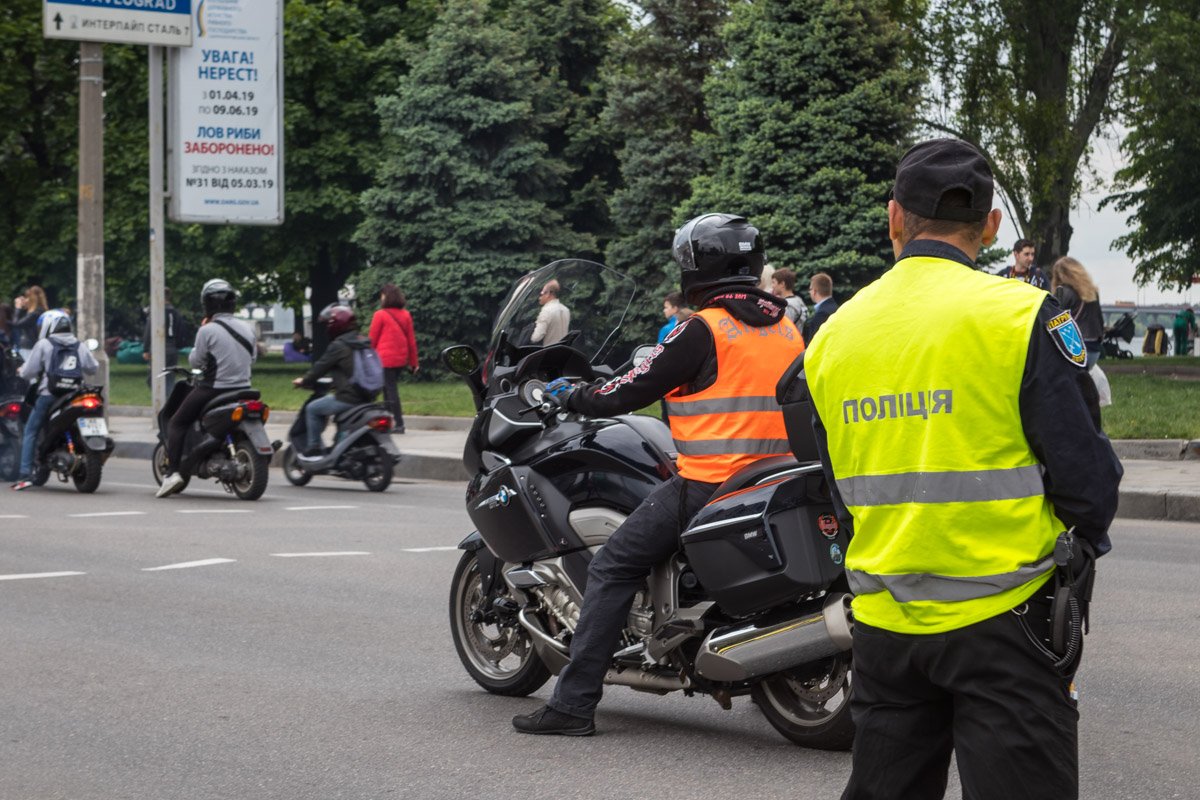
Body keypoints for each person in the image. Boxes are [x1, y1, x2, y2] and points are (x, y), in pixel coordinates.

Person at [803, 138, 1122, 800]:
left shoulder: (833, 335)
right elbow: (1089, 482)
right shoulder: (1022, 317)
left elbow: (833, 477)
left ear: (895, 219)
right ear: (990, 227)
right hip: (1008, 621)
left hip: (886, 624)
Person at [511, 213, 804, 737]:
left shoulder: (703, 328)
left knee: (614, 565)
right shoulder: (787, 327)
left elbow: (627, 388)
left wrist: (570, 394)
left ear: (696, 267)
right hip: (777, 478)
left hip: (711, 483)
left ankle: (573, 705)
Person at [156, 279, 257, 498]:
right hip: (246, 389)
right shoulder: (247, 328)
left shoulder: (207, 330)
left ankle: (173, 472)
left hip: (215, 389)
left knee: (177, 422)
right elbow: (253, 358)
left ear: (207, 304)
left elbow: (195, 361)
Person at [11, 310, 98, 491]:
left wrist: (21, 371)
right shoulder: (79, 345)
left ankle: (24, 474)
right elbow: (92, 368)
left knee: (31, 431)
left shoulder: (44, 344)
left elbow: (29, 371)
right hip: (75, 395)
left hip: (49, 395)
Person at [293, 304, 377, 455]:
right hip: (368, 397)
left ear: (335, 326)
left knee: (312, 408)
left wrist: (304, 380)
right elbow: (351, 369)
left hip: (348, 398)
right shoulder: (362, 341)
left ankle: (313, 447)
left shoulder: (339, 346)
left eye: (328, 324)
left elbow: (320, 367)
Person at [369, 284, 419, 433]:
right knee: (387, 389)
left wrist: (368, 358)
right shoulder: (406, 315)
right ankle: (386, 422)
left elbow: (372, 339)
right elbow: (411, 341)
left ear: (387, 296)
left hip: (384, 359)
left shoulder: (380, 315)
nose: (381, 298)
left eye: (382, 295)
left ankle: (399, 423)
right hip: (400, 360)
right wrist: (414, 363)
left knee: (390, 390)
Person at [1050, 256, 1104, 368]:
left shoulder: (1063, 292)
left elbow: (1054, 322)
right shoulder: (1093, 292)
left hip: (1075, 349)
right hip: (1094, 349)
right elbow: (1100, 321)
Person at [141, 287, 187, 396]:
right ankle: (170, 400)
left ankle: (163, 399)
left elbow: (149, 330)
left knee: (152, 377)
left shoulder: (157, 312)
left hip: (158, 348)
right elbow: (181, 330)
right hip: (172, 349)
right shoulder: (176, 313)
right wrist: (178, 346)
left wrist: (146, 349)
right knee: (170, 377)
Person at [12, 285, 49, 360]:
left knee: (29, 370)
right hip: (36, 345)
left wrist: (18, 308)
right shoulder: (41, 311)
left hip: (30, 346)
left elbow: (16, 324)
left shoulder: (36, 313)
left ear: (32, 299)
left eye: (27, 297)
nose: (25, 300)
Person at [802, 272, 838, 345]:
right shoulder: (835, 308)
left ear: (815, 291)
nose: (809, 292)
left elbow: (814, 343)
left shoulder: (822, 314)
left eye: (810, 289)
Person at [531, 279, 570, 346]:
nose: (539, 297)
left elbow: (536, 338)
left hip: (549, 353)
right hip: (562, 352)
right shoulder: (566, 310)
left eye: (541, 294)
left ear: (548, 293)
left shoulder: (546, 311)